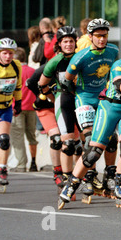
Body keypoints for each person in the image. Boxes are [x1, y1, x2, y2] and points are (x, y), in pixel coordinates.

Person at [59, 32, 121, 209]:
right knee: (93, 151)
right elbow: (120, 86)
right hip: (110, 108)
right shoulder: (119, 64)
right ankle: (72, 184)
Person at [58, 18, 119, 207]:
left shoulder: (113, 51)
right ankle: (79, 180)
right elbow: (67, 81)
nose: (102, 39)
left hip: (101, 99)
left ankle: (109, 176)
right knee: (91, 143)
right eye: (98, 36)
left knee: (113, 140)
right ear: (90, 36)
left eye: (105, 36)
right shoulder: (80, 57)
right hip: (84, 99)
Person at [38, 26, 83, 185]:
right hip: (63, 101)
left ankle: (81, 176)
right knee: (68, 144)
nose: (69, 44)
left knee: (82, 145)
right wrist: (53, 98)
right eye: (65, 42)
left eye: (71, 41)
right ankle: (67, 178)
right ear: (59, 44)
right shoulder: (55, 61)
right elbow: (41, 84)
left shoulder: (81, 57)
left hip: (80, 102)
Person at [27, 63, 64, 191]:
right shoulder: (46, 68)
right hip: (46, 108)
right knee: (56, 139)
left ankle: (75, 175)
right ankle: (58, 171)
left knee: (73, 143)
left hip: (64, 107)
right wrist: (40, 95)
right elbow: (30, 83)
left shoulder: (75, 65)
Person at [0, 38, 22, 193]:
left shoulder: (16, 65)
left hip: (5, 107)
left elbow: (17, 86)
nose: (7, 56)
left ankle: (2, 170)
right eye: (4, 53)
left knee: (4, 140)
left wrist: (18, 103)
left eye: (10, 53)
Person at [10, 48, 38, 172]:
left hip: (17, 109)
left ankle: (21, 164)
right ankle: (33, 162)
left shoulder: (13, 72)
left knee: (18, 137)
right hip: (32, 108)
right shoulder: (33, 71)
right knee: (32, 136)